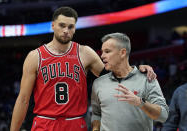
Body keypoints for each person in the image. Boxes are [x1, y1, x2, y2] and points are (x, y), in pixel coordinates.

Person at [10, 7, 156, 131]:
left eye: (70, 27)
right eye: (62, 25)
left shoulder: (85, 53)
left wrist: (136, 70)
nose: (66, 30)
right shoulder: (35, 56)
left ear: (75, 29)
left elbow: (114, 78)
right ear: (53, 25)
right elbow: (23, 99)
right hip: (45, 122)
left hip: (76, 122)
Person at [91, 32, 169, 131]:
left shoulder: (147, 79)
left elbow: (163, 116)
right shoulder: (98, 83)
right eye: (102, 52)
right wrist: (95, 128)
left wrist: (140, 102)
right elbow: (96, 114)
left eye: (107, 51)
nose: (102, 56)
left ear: (123, 53)